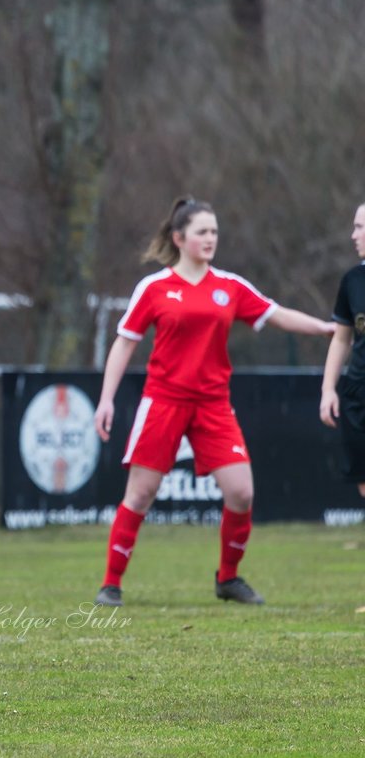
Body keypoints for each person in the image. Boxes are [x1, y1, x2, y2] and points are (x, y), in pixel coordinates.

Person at [92, 196, 335, 607]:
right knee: (141, 494)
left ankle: (228, 579)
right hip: (164, 401)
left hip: (213, 405)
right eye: (202, 231)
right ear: (179, 237)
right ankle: (111, 584)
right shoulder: (153, 288)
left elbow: (275, 314)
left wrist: (327, 328)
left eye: (215, 232)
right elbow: (123, 344)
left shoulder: (229, 286)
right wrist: (106, 400)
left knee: (241, 493)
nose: (210, 239)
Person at [319, 203, 365, 497]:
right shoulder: (352, 281)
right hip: (358, 393)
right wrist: (328, 389)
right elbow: (341, 338)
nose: (353, 235)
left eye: (360, 227)